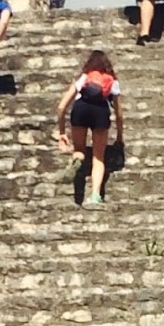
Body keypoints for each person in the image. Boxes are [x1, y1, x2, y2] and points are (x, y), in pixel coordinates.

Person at [54, 49, 126, 208]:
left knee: (79, 150)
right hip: (101, 111)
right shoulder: (112, 81)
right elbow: (119, 114)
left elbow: (61, 107)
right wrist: (120, 136)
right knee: (98, 157)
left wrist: (61, 133)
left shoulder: (84, 77)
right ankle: (95, 195)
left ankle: (78, 159)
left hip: (81, 109)